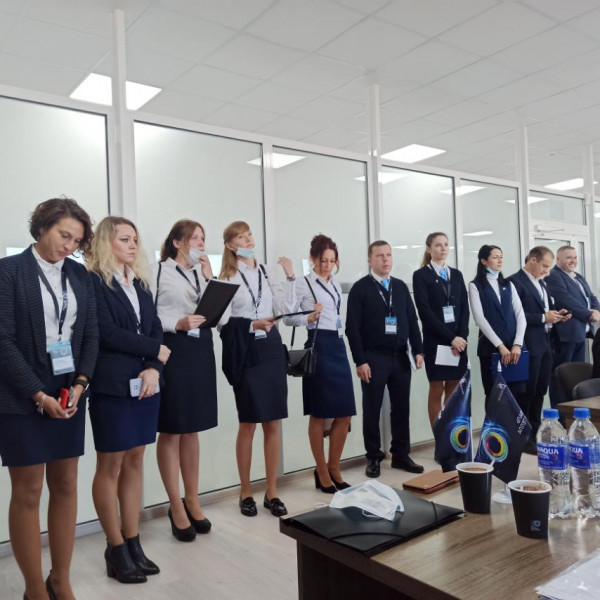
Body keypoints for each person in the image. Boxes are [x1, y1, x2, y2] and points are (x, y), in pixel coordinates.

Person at [0, 198, 98, 600]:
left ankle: (60, 579)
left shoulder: (79, 274)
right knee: (27, 491)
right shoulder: (9, 271)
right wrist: (37, 394)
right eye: (63, 235)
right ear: (42, 227)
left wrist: (80, 383)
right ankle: (34, 589)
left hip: (68, 388)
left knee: (66, 482)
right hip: (21, 392)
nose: (68, 246)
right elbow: (2, 341)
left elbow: (90, 335)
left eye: (76, 241)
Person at [88, 216, 170, 584]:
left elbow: (154, 328)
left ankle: (134, 541)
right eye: (124, 239)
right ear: (107, 242)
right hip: (111, 384)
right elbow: (106, 333)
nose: (133, 245)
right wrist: (155, 351)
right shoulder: (94, 282)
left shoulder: (139, 283)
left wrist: (154, 367)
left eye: (135, 239)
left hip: (146, 384)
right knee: (111, 464)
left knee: (136, 459)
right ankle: (116, 547)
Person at [220, 221, 303, 517]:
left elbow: (286, 310)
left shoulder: (267, 271)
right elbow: (222, 321)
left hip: (270, 348)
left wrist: (291, 277)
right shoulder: (227, 277)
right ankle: (245, 491)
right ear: (230, 245)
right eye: (241, 237)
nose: (248, 240)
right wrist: (251, 324)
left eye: (249, 235)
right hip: (246, 350)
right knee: (248, 423)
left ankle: (272, 492)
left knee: (273, 422)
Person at [152, 220, 218, 542]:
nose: (201, 244)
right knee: (172, 428)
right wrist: (175, 322)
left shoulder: (201, 273)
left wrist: (210, 278)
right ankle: (175, 504)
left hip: (200, 350)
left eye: (203, 239)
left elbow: (220, 317)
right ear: (177, 242)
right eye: (195, 238)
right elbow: (148, 316)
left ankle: (193, 499)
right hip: (173, 349)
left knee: (192, 427)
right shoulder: (159, 271)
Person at [346, 240, 424, 478]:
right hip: (373, 358)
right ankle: (373, 456)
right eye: (380, 255)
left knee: (401, 407)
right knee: (372, 408)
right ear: (370, 260)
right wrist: (360, 360)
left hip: (400, 356)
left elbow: (412, 319)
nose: (385, 259)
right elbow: (352, 327)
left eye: (388, 255)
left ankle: (400, 454)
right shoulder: (360, 288)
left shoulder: (399, 287)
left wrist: (419, 350)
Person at [285, 234, 356, 490]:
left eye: (331, 261)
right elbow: (288, 318)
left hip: (338, 345)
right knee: (319, 413)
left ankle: (334, 466)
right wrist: (308, 318)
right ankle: (322, 470)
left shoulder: (335, 284)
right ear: (313, 258)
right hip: (319, 346)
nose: (327, 266)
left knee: (345, 412)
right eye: (323, 260)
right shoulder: (304, 283)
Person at [508, 246, 570, 454]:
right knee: (526, 391)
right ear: (532, 260)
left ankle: (535, 431)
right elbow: (514, 315)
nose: (547, 271)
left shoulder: (541, 283)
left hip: (544, 343)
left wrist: (557, 315)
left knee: (540, 390)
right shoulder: (514, 282)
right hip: (528, 344)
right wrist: (544, 317)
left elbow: (544, 310)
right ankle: (523, 436)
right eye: (545, 266)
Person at [412, 232, 469, 432]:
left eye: (446, 244)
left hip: (458, 342)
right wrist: (451, 338)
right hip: (436, 341)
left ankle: (451, 436)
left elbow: (464, 307)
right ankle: (439, 437)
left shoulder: (457, 274)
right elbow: (425, 312)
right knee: (437, 388)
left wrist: (461, 337)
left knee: (454, 389)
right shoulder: (421, 275)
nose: (443, 248)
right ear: (429, 249)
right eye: (438, 245)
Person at [468, 244, 527, 403]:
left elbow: (520, 315)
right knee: (494, 394)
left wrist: (518, 344)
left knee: (517, 394)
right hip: (491, 348)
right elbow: (479, 318)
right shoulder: (475, 286)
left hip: (514, 348)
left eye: (501, 257)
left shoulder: (508, 284)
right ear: (484, 261)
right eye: (495, 257)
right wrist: (500, 346)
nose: (500, 260)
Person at [545, 245, 600, 407]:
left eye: (575, 257)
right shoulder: (553, 276)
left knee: (577, 378)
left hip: (581, 334)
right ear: (558, 259)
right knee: (560, 377)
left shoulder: (578, 277)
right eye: (569, 257)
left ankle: (577, 411)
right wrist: (588, 314)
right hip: (565, 335)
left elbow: (591, 297)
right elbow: (565, 300)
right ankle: (562, 414)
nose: (573, 261)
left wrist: (597, 310)